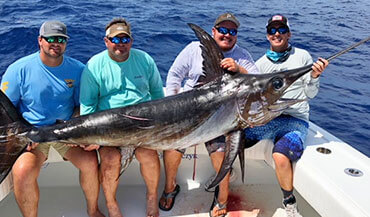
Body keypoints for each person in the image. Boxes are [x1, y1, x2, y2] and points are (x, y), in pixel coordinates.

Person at [160, 13, 259, 217]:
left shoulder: (243, 55)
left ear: (236, 35)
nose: (227, 35)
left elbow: (258, 84)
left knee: (222, 155)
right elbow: (174, 75)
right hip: (188, 113)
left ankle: (221, 199)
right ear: (213, 31)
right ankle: (170, 188)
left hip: (221, 119)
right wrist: (173, 106)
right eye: (222, 30)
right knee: (171, 149)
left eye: (232, 31)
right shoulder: (193, 49)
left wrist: (239, 69)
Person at [0, 21, 104, 217]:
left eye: (61, 40)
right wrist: (21, 135)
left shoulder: (79, 70)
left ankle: (93, 211)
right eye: (51, 39)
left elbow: (81, 106)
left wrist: (74, 128)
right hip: (32, 136)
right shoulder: (18, 69)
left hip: (65, 133)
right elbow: (5, 111)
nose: (56, 43)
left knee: (90, 163)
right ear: (40, 40)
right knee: (22, 172)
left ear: (66, 43)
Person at [244, 15, 329, 217]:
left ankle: (289, 203)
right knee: (233, 138)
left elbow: (310, 95)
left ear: (289, 34)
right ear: (267, 35)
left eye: (281, 29)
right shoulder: (260, 65)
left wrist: (315, 77)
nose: (277, 34)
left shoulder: (302, 57)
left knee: (280, 156)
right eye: (272, 30)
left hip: (295, 120)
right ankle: (225, 180)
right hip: (268, 118)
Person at [79, 17, 164, 217]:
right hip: (110, 128)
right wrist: (91, 136)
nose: (120, 45)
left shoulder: (145, 60)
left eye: (125, 40)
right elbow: (88, 105)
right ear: (106, 41)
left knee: (149, 156)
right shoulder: (94, 65)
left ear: (131, 41)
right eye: (115, 40)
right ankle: (111, 204)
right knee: (110, 160)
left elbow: (159, 98)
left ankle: (151, 197)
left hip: (143, 125)